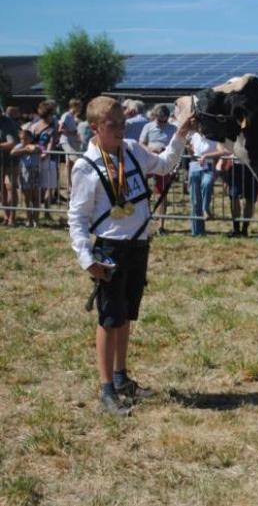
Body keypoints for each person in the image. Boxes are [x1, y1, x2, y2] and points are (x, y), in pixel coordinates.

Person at [68, 96, 193, 416]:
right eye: (113, 125)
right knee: (109, 320)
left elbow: (164, 164)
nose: (121, 130)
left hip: (138, 245)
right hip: (109, 250)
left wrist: (180, 136)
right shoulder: (86, 166)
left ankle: (122, 378)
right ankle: (106, 389)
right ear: (95, 127)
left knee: (125, 316)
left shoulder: (133, 150)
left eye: (123, 123)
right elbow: (77, 218)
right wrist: (87, 260)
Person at [139, 105, 177, 234]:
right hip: (148, 161)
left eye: (164, 120)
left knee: (162, 193)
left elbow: (176, 144)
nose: (162, 123)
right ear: (155, 117)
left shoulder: (173, 128)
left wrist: (166, 150)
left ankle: (161, 225)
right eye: (160, 120)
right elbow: (141, 143)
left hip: (163, 163)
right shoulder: (148, 127)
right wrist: (151, 150)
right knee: (144, 193)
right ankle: (145, 223)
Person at [186, 127, 229, 236]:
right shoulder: (194, 136)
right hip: (195, 167)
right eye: (199, 127)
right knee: (195, 201)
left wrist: (206, 156)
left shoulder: (214, 138)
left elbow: (223, 151)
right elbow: (192, 152)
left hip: (208, 167)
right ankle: (197, 231)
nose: (200, 129)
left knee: (207, 182)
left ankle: (206, 208)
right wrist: (188, 149)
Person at [29, 101, 58, 220]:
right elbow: (51, 144)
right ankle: (45, 212)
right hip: (47, 159)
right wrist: (45, 154)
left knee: (39, 186)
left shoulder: (33, 126)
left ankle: (38, 213)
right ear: (49, 113)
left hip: (35, 158)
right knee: (48, 186)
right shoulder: (51, 128)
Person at [11, 129, 42, 227]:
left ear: (30, 138)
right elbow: (12, 152)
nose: (23, 141)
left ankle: (36, 219)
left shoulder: (36, 145)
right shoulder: (20, 146)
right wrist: (24, 149)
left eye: (25, 138)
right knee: (27, 198)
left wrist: (29, 147)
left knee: (35, 197)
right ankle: (29, 219)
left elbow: (37, 149)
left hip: (35, 172)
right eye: (21, 139)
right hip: (24, 173)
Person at [227, 157, 258, 237]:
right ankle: (236, 228)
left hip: (253, 166)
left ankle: (245, 229)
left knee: (250, 199)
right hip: (237, 166)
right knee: (233, 196)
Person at [1, 107, 20, 226]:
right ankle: (6, 216)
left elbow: (11, 143)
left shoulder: (7, 122)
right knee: (1, 190)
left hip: (11, 161)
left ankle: (12, 218)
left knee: (10, 187)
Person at [58, 99, 82, 193]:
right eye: (79, 106)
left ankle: (70, 185)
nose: (81, 108)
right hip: (66, 141)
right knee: (75, 160)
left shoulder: (73, 117)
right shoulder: (66, 115)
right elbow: (60, 129)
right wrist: (72, 133)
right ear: (74, 106)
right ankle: (73, 184)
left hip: (72, 142)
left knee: (69, 164)